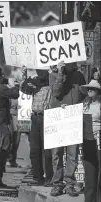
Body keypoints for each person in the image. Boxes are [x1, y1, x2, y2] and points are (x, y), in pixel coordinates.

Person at [49, 61, 86, 197]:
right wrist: (60, 73)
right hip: (58, 117)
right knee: (56, 153)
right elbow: (56, 92)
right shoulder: (54, 74)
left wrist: (77, 106)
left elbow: (83, 94)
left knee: (72, 153)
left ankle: (69, 183)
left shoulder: (78, 76)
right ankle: (57, 184)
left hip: (73, 118)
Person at [20, 66, 53, 187]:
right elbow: (24, 89)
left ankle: (49, 177)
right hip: (35, 118)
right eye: (38, 70)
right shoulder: (33, 81)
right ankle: (37, 177)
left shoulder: (52, 81)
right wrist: (24, 74)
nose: (40, 72)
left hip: (47, 118)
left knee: (48, 150)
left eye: (42, 70)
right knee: (34, 149)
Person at [0, 66, 19, 187]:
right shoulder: (1, 88)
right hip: (1, 125)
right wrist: (13, 84)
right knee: (2, 153)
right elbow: (15, 94)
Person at [79, 80, 101, 202]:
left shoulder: (100, 105)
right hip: (87, 141)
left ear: (97, 91)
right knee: (89, 172)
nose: (89, 90)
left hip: (99, 141)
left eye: (92, 88)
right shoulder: (83, 104)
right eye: (88, 89)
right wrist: (64, 110)